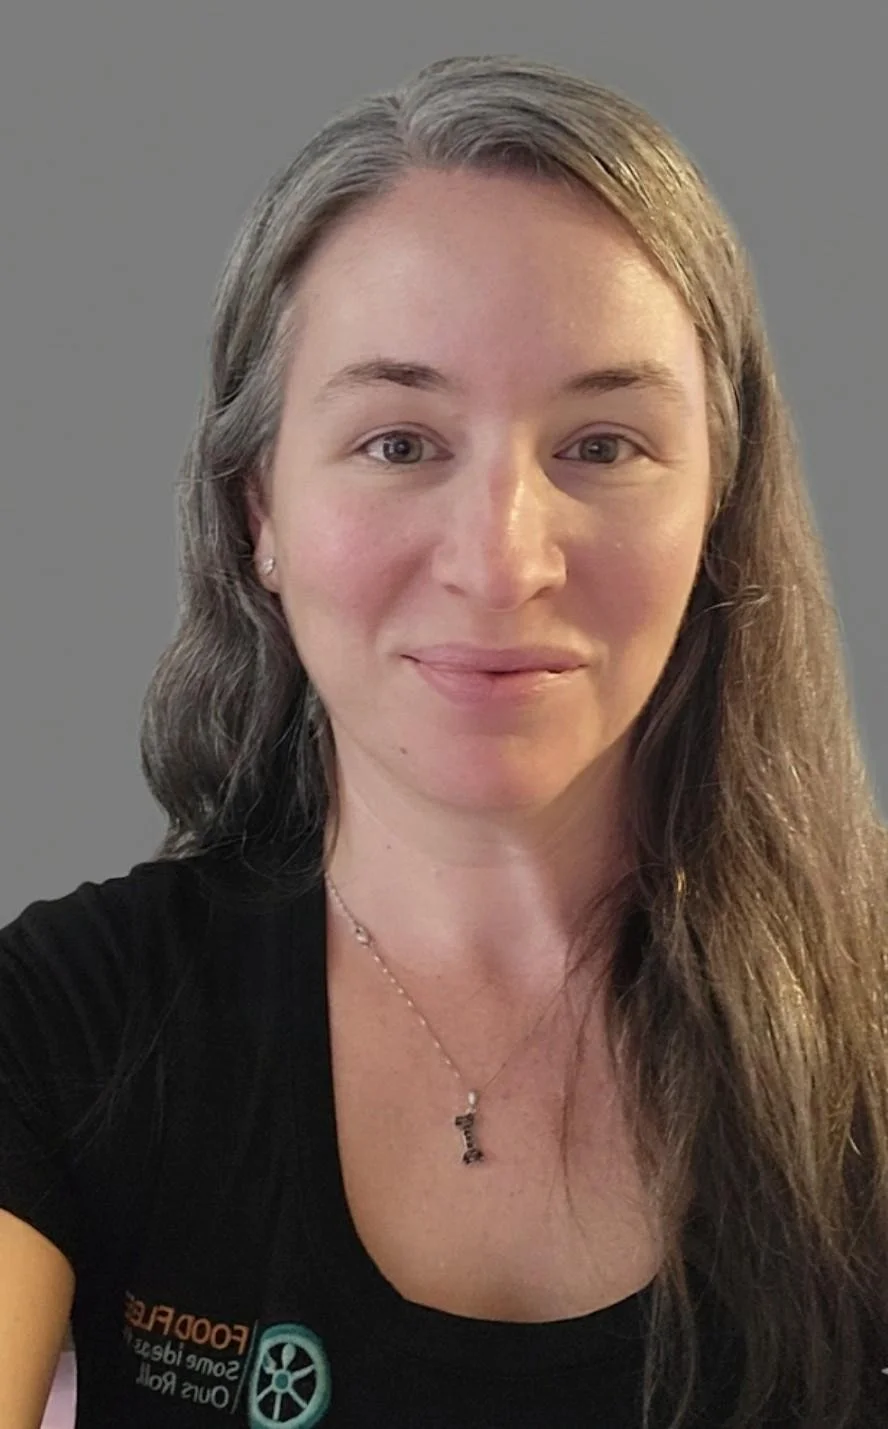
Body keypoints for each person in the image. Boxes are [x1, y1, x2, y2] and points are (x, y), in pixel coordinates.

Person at [1, 52, 886, 1429]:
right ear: (259, 513)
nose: (501, 561)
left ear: (720, 505)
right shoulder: (58, 1024)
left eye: (603, 445)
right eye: (401, 443)